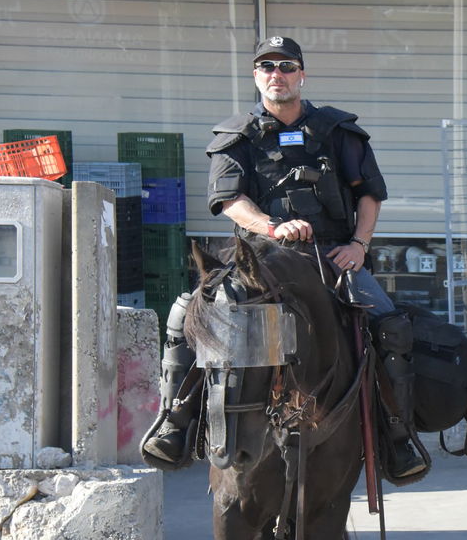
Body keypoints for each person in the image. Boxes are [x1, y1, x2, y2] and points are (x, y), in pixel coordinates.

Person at [141, 35, 427, 481]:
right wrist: (272, 227)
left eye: (287, 66)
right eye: (267, 66)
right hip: (259, 259)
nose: (278, 74)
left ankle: (397, 434)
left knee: (390, 325)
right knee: (183, 315)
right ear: (256, 76)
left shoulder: (338, 131)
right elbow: (230, 201)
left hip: (332, 256)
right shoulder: (235, 136)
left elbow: (370, 195)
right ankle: (175, 423)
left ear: (302, 74)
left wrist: (359, 245)